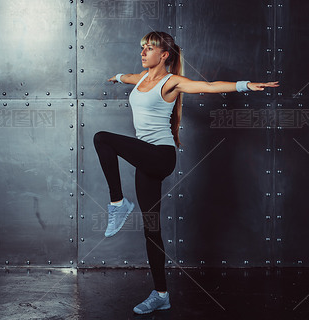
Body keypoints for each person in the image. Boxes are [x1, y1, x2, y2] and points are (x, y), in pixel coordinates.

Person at [93, 31, 279, 315]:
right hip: (145, 159)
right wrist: (117, 77)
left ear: (164, 55)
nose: (143, 52)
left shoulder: (172, 82)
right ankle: (161, 294)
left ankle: (118, 203)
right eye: (142, 47)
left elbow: (209, 86)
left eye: (149, 48)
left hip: (160, 156)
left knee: (102, 138)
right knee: (151, 228)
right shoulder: (141, 78)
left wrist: (245, 85)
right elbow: (128, 76)